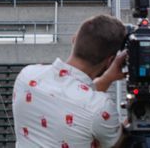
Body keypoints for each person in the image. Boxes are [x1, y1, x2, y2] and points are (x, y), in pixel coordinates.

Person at [12, 15, 127, 148]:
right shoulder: (100, 107)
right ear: (110, 61)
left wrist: (107, 78)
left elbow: (72, 100)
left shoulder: (26, 76)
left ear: (74, 40)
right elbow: (118, 143)